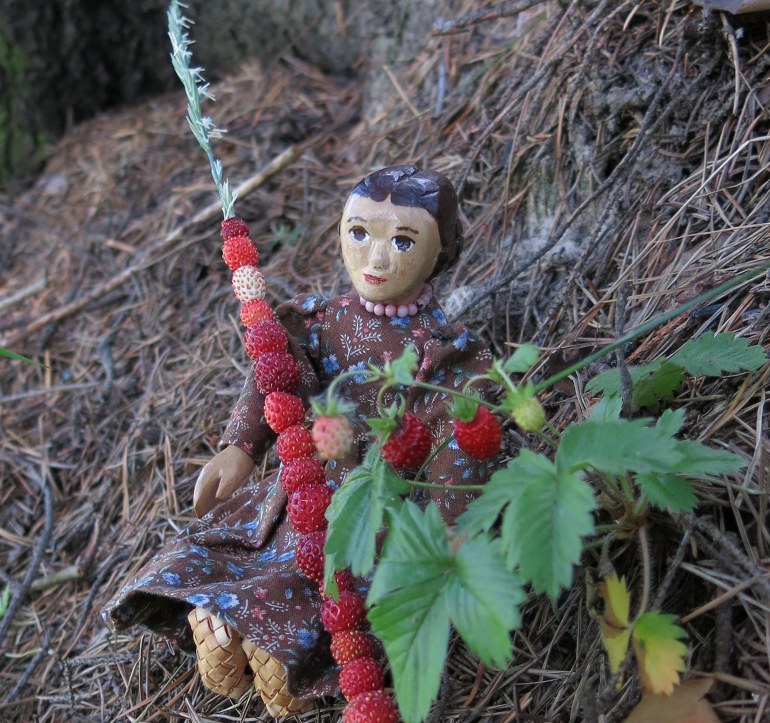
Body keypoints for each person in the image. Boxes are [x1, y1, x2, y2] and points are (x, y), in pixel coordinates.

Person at [103, 165, 493, 716]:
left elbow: (459, 438)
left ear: (441, 253)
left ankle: (277, 652)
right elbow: (276, 378)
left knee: (333, 591)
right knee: (259, 553)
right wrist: (242, 445)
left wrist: (453, 528)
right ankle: (224, 622)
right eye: (359, 232)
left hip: (373, 512)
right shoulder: (320, 323)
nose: (376, 258)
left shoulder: (443, 355)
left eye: (403, 240)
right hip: (301, 490)